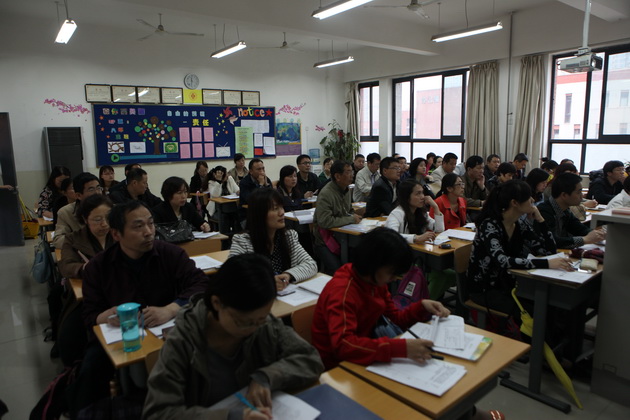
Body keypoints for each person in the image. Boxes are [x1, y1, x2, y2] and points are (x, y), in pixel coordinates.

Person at [142, 254, 324, 419]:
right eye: (243, 322)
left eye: (260, 319)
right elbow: (158, 413)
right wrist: (230, 416)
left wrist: (266, 377)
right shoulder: (184, 341)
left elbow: (310, 359)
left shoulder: (263, 324)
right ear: (217, 303)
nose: (253, 329)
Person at [76, 201, 209, 414]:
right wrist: (105, 316)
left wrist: (171, 309)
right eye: (138, 226)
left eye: (151, 223)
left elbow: (201, 284)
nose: (148, 232)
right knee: (91, 368)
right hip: (119, 337)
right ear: (116, 234)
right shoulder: (98, 267)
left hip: (167, 331)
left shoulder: (170, 254)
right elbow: (88, 315)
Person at [311, 228, 450, 370]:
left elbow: (396, 318)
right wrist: (401, 348)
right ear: (373, 264)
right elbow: (343, 346)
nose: (394, 279)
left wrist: (422, 306)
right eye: (391, 273)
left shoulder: (374, 281)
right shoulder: (342, 292)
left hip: (362, 351)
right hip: (336, 366)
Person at [467, 180, 571, 316]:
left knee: (553, 305)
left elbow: (548, 251)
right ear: (514, 203)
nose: (533, 200)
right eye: (528, 197)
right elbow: (503, 261)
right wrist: (546, 263)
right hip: (485, 289)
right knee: (536, 311)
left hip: (509, 284)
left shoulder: (519, 224)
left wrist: (540, 220)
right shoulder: (489, 225)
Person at [229, 189, 317, 291]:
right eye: (275, 209)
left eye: (281, 207)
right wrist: (268, 281)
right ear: (259, 214)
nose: (282, 212)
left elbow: (311, 264)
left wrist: (287, 275)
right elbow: (233, 275)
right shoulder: (243, 241)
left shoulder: (289, 236)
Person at [314, 161, 365, 274]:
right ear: (337, 176)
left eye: (352, 172)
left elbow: (348, 211)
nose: (352, 175)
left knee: (360, 262)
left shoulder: (346, 189)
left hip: (344, 237)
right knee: (339, 270)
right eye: (348, 172)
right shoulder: (326, 193)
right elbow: (324, 221)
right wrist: (351, 219)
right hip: (325, 240)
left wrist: (356, 215)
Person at [537, 172, 606, 249]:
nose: (581, 196)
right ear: (564, 195)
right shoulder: (544, 211)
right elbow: (553, 241)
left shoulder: (565, 209)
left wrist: (596, 234)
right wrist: (584, 240)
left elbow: (578, 228)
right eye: (578, 192)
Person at [58, 194, 115, 279]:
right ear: (85, 219)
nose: (104, 224)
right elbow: (66, 267)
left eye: (108, 217)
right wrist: (86, 268)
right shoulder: (73, 239)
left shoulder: (120, 235)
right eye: (98, 219)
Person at [53, 172, 103, 249]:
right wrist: (85, 239)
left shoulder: (110, 209)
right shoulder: (65, 212)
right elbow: (58, 241)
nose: (97, 193)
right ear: (78, 195)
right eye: (91, 189)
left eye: (98, 188)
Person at [385, 179, 439, 244]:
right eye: (418, 193)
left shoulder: (421, 212)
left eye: (422, 193)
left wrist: (435, 207)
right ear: (407, 196)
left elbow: (439, 229)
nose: (422, 197)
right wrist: (416, 238)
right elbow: (391, 236)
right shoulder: (397, 213)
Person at [239, 158, 272, 223]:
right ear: (251, 171)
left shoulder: (266, 179)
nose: (262, 171)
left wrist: (267, 185)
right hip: (248, 216)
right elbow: (251, 200)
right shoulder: (244, 182)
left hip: (264, 213)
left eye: (263, 168)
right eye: (259, 169)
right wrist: (260, 185)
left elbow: (272, 197)